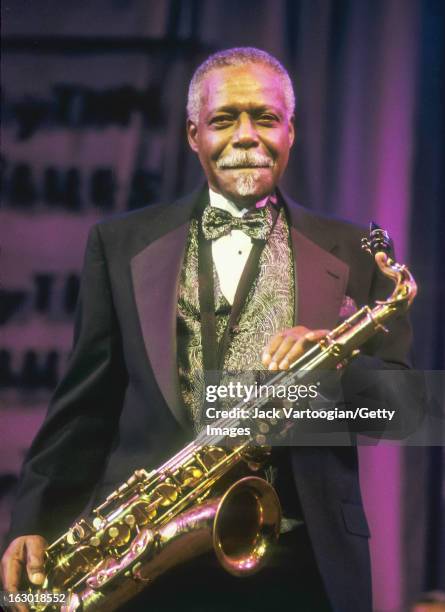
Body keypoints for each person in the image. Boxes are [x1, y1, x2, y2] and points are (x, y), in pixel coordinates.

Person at [1, 47, 417, 612]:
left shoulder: (356, 250)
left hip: (303, 563)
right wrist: (34, 518)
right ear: (192, 134)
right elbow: (84, 406)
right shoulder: (120, 242)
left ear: (291, 132)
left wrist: (330, 374)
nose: (246, 136)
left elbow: (400, 413)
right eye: (224, 119)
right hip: (149, 561)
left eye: (265, 118)